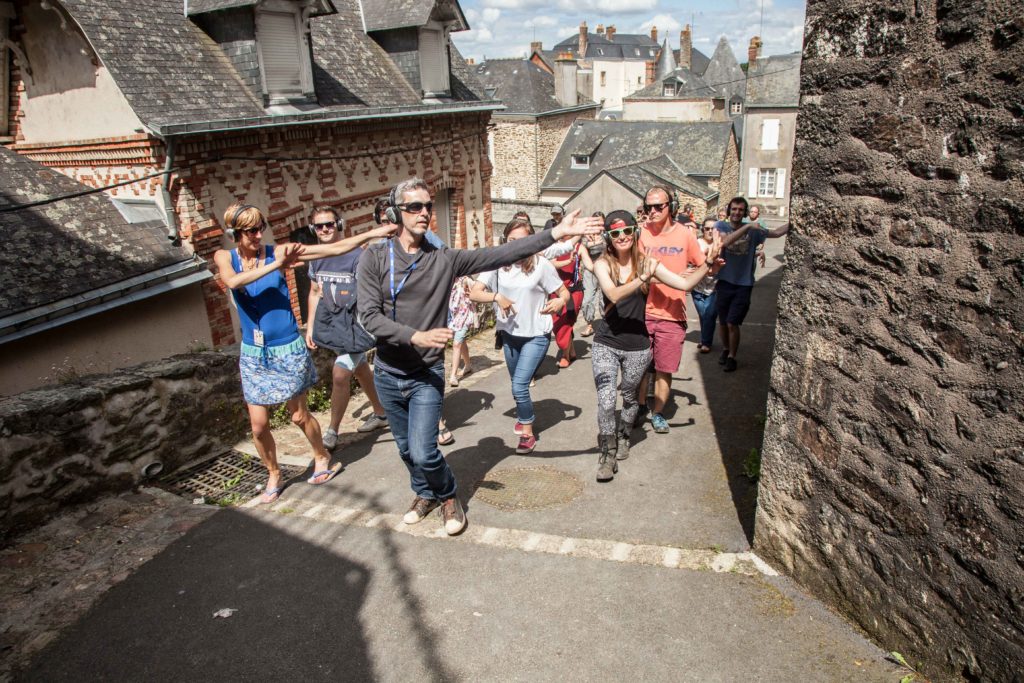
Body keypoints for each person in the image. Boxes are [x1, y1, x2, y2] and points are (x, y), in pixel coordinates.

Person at [357, 178, 601, 535]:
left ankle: (448, 495)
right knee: (407, 451)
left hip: (425, 373)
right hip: (388, 373)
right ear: (396, 213)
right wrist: (416, 335)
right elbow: (368, 316)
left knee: (425, 452)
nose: (425, 212)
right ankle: (423, 492)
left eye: (428, 205)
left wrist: (555, 235)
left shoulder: (443, 259)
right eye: (415, 207)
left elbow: (501, 253)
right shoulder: (375, 258)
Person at [213, 203, 396, 504]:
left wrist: (375, 232)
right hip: (254, 353)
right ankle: (273, 473)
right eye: (251, 231)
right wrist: (278, 264)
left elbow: (335, 250)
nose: (259, 235)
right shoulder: (226, 257)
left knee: (298, 415)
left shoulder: (279, 250)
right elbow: (232, 282)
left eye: (261, 229)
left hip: (286, 347)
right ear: (235, 233)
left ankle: (321, 455)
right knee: (258, 426)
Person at [591, 210, 721, 481]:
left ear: (634, 232)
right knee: (605, 400)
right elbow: (613, 293)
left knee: (628, 397)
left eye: (627, 231)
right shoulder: (604, 264)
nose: (622, 237)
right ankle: (607, 453)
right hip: (606, 342)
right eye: (615, 233)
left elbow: (684, 282)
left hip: (637, 346)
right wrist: (643, 278)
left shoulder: (648, 262)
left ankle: (624, 435)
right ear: (609, 238)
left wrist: (707, 265)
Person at [472, 218, 574, 453]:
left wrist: (559, 301)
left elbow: (563, 293)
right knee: (517, 385)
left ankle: (527, 432)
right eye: (512, 241)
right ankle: (524, 413)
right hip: (509, 334)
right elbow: (475, 294)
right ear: (504, 241)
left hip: (536, 334)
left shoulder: (542, 265)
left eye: (523, 241)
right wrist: (496, 297)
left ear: (532, 241)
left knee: (519, 385)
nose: (517, 246)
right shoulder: (497, 264)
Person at [304, 207, 389, 451]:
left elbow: (368, 294)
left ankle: (332, 431)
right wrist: (310, 327)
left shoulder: (356, 255)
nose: (325, 230)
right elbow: (314, 292)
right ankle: (381, 412)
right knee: (360, 367)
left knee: (340, 374)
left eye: (329, 224)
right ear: (313, 229)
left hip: (357, 325)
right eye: (319, 226)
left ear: (339, 225)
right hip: (336, 326)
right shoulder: (316, 257)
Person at [635, 186, 706, 434]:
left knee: (664, 368)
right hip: (643, 312)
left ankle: (658, 413)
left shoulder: (685, 235)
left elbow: (702, 266)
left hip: (673, 314)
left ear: (671, 207)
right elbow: (639, 276)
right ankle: (640, 406)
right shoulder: (640, 234)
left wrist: (711, 264)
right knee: (641, 366)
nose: (652, 211)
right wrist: (677, 277)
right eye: (648, 207)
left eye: (659, 206)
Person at [715, 196, 790, 372]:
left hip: (744, 284)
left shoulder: (755, 231)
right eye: (734, 209)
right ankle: (726, 349)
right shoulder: (721, 227)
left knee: (733, 322)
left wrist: (795, 222)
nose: (736, 212)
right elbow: (724, 242)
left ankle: (732, 356)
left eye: (741, 210)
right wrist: (748, 226)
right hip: (724, 281)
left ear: (745, 212)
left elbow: (776, 233)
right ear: (729, 211)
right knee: (723, 322)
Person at [692, 218, 723, 354]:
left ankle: (706, 342)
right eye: (707, 228)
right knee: (702, 314)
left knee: (709, 315)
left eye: (713, 229)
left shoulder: (721, 244)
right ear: (702, 230)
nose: (710, 231)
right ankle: (704, 337)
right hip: (698, 285)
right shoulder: (696, 244)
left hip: (715, 286)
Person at [579, 212, 606, 338]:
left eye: (600, 222)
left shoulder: (607, 235)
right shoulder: (586, 235)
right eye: (595, 222)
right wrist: (587, 241)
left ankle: (606, 324)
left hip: (605, 269)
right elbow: (580, 247)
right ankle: (589, 324)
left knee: (604, 300)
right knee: (587, 300)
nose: (598, 225)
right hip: (590, 271)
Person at [447, 274, 476, 386]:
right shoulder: (448, 278)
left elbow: (479, 291)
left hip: (465, 316)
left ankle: (453, 376)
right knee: (461, 341)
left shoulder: (466, 280)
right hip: (453, 317)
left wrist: (471, 293)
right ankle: (468, 365)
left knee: (456, 344)